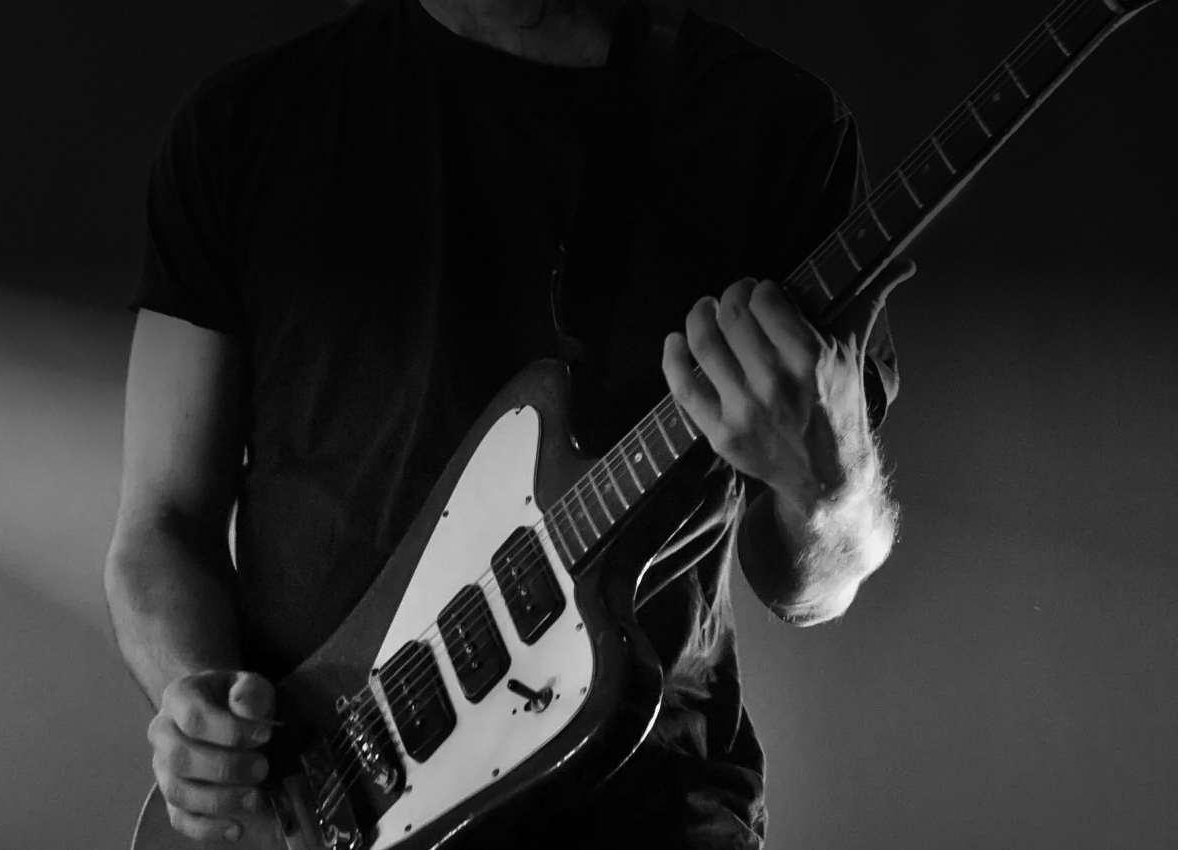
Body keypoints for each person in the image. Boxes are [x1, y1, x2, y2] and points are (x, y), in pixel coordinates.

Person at [103, 0, 908, 846]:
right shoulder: (244, 128)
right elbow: (161, 525)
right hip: (313, 814)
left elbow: (808, 588)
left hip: (645, 817)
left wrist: (827, 487)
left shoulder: (773, 128)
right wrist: (198, 708)